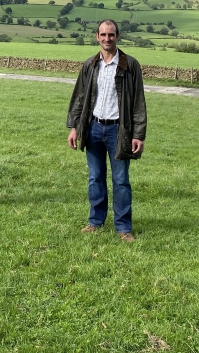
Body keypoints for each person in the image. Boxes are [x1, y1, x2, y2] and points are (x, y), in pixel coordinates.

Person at [67, 19, 147, 242]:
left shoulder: (130, 65)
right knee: (95, 178)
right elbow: (79, 98)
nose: (107, 38)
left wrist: (138, 134)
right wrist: (74, 127)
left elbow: (139, 101)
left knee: (121, 180)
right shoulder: (90, 65)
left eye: (111, 35)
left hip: (118, 130)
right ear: (97, 37)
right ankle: (95, 221)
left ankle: (123, 227)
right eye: (103, 34)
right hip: (93, 127)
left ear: (118, 36)